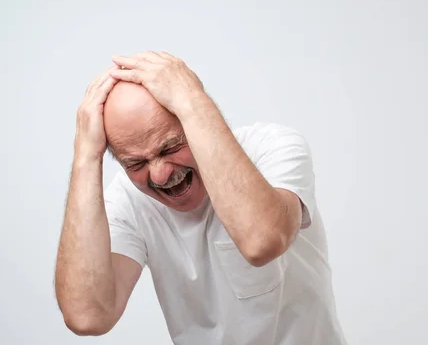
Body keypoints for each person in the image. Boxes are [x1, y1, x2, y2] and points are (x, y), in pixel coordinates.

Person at [54, 51, 347, 344]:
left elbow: (263, 241)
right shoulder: (129, 200)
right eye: (136, 164)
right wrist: (86, 156)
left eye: (170, 148)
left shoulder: (273, 148)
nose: (159, 175)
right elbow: (87, 316)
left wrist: (192, 99)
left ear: (194, 120)